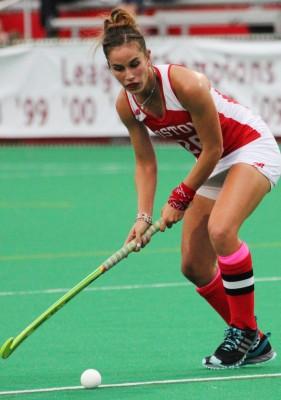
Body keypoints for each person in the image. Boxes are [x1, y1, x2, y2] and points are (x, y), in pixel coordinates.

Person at [100, 8, 281, 369]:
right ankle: (255, 342)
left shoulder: (186, 84)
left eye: (134, 64)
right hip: (214, 163)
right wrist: (143, 215)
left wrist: (180, 196)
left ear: (148, 57)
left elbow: (214, 148)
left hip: (248, 146)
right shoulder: (127, 105)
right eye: (118, 69)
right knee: (194, 264)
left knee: (221, 230)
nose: (129, 76)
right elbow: (145, 163)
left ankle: (244, 331)